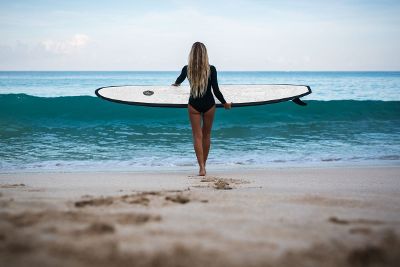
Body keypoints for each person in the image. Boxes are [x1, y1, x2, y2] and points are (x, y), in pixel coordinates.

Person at [172, 42, 232, 176]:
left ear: (191, 54)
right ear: (205, 54)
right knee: (207, 135)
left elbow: (179, 80)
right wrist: (225, 103)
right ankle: (204, 165)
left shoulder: (187, 69)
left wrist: (175, 84)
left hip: (194, 104)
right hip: (209, 105)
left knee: (197, 136)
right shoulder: (212, 69)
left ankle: (201, 168)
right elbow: (215, 90)